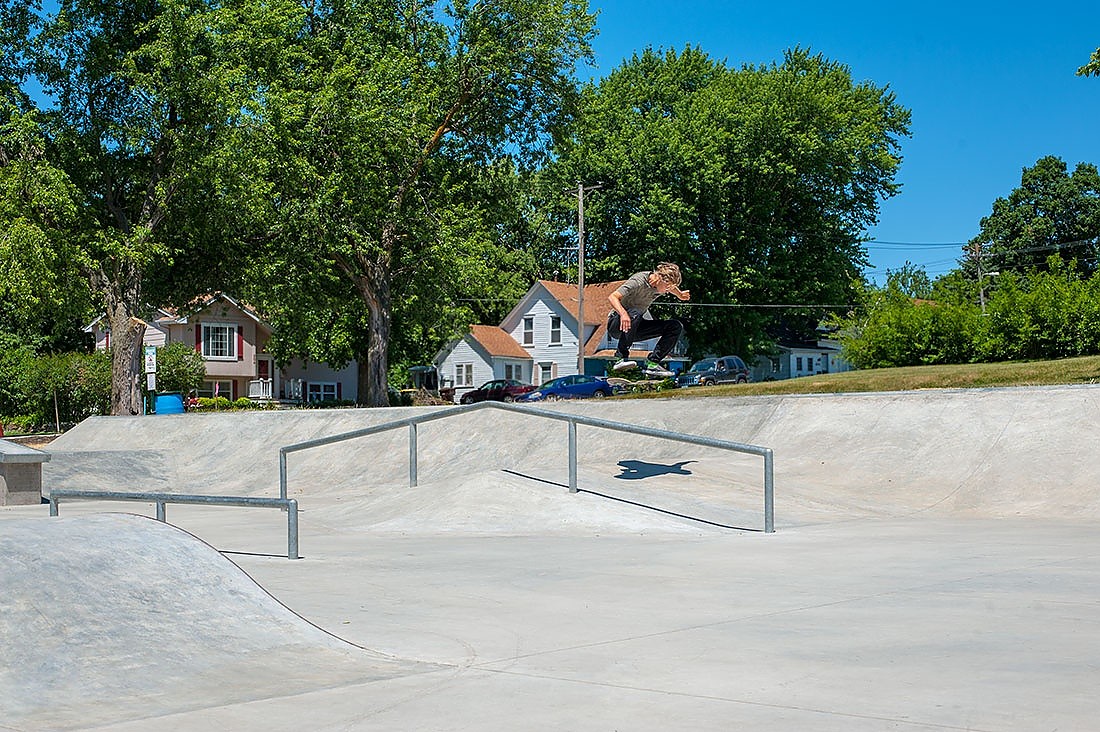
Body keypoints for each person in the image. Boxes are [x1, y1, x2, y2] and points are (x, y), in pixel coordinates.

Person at [606, 262, 691, 377]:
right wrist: (623, 314)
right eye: (667, 287)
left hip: (634, 327)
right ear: (660, 279)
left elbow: (673, 288)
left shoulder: (659, 284)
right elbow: (613, 297)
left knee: (675, 326)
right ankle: (620, 359)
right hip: (617, 324)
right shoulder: (638, 281)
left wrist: (680, 295)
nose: (667, 291)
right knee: (635, 313)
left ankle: (653, 364)